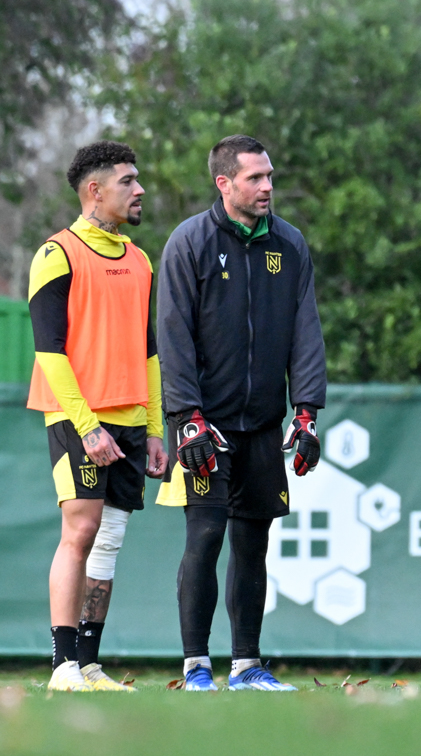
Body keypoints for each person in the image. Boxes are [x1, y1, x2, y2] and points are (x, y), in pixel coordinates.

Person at [156, 134, 326, 691]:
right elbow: (173, 336)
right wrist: (187, 416)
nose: (267, 186)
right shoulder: (189, 242)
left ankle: (247, 665)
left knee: (254, 544)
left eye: (269, 176)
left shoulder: (290, 244)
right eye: (255, 177)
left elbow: (306, 333)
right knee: (205, 536)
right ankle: (195, 665)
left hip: (263, 425)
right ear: (224, 183)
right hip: (204, 425)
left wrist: (306, 412)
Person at [28, 140, 166, 692]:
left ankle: (88, 664)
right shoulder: (55, 254)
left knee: (108, 541)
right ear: (95, 190)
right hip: (78, 417)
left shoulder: (140, 260)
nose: (139, 190)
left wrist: (154, 428)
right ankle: (62, 666)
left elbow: (149, 352)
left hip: (132, 420)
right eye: (128, 181)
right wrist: (88, 426)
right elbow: (49, 352)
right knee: (81, 531)